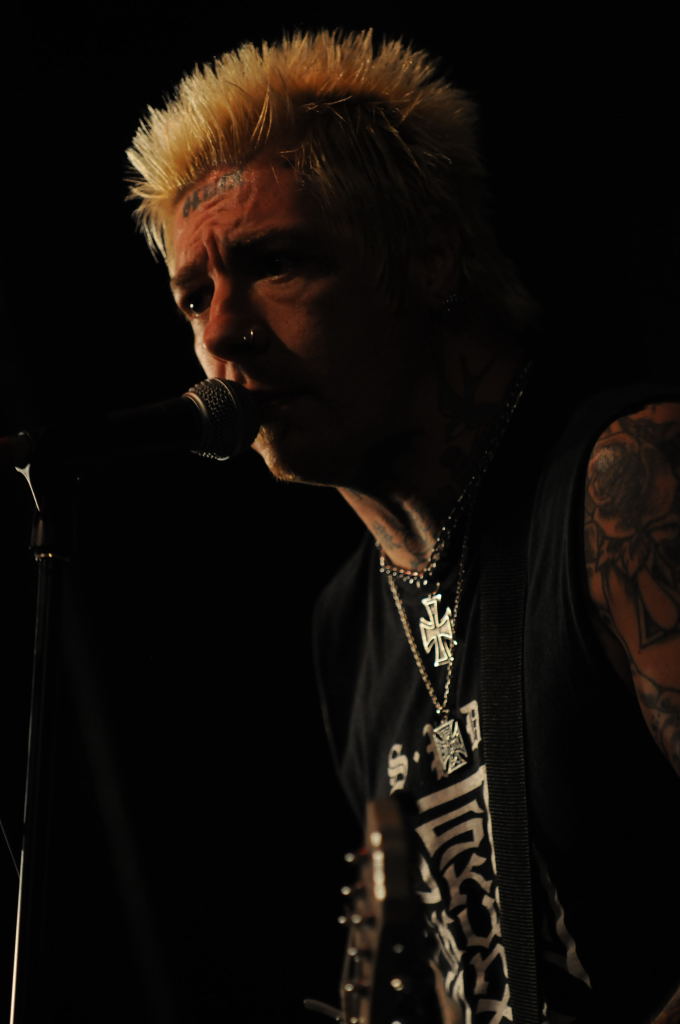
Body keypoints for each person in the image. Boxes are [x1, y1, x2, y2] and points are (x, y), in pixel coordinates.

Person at [126, 30, 680, 1023]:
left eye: (274, 263)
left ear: (429, 257)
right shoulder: (347, 631)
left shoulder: (627, 486)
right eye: (194, 296)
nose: (219, 332)